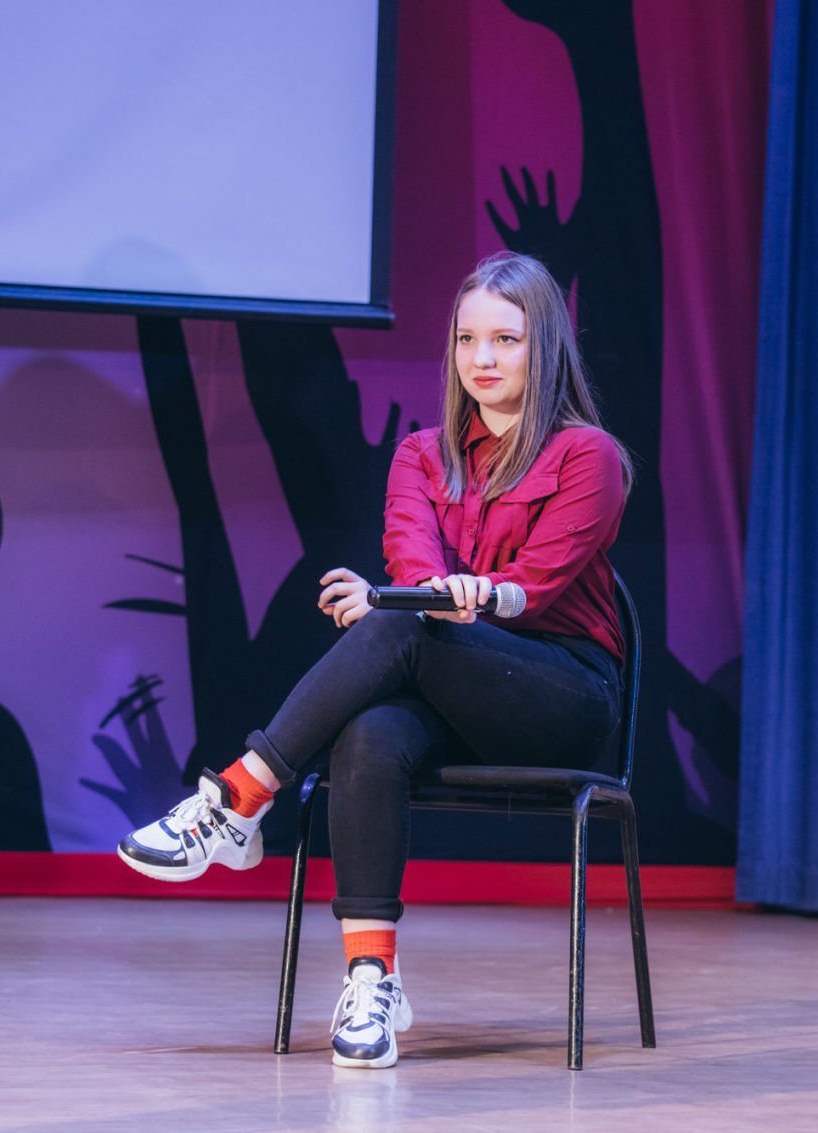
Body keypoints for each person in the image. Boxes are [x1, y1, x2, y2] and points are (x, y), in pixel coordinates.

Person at [118, 251, 633, 1069]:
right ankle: (372, 980)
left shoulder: (587, 455)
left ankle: (235, 801)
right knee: (372, 729)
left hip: (561, 694)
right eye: (466, 339)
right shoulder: (421, 456)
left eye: (505, 339)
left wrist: (432, 601)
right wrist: (410, 599)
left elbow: (534, 586)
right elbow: (414, 565)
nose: (482, 358)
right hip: (452, 678)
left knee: (399, 628)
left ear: (546, 347)